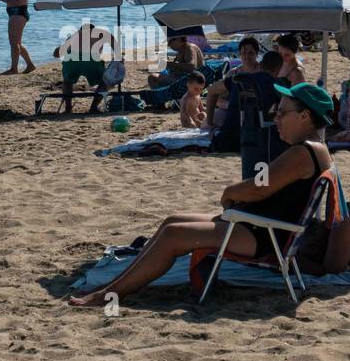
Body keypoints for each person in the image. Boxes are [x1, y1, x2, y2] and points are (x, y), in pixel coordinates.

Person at [69, 83, 334, 307]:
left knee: (173, 236)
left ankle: (110, 294)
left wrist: (229, 192)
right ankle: (117, 283)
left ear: (305, 116)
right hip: (260, 224)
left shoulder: (302, 152)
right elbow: (264, 184)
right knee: (172, 221)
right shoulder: (314, 149)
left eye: (282, 113)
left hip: (265, 235)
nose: (276, 118)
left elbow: (257, 188)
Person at [54, 22, 115, 114]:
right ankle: (93, 107)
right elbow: (112, 39)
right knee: (104, 82)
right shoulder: (100, 35)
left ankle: (68, 108)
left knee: (67, 81)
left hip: (73, 60)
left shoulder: (74, 36)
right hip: (91, 61)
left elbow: (56, 54)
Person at [205, 36, 261, 130]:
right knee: (210, 122)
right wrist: (231, 105)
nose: (247, 56)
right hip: (236, 113)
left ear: (257, 54)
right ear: (239, 54)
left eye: (250, 53)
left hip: (259, 112)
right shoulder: (233, 74)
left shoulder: (264, 71)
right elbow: (217, 97)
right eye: (243, 53)